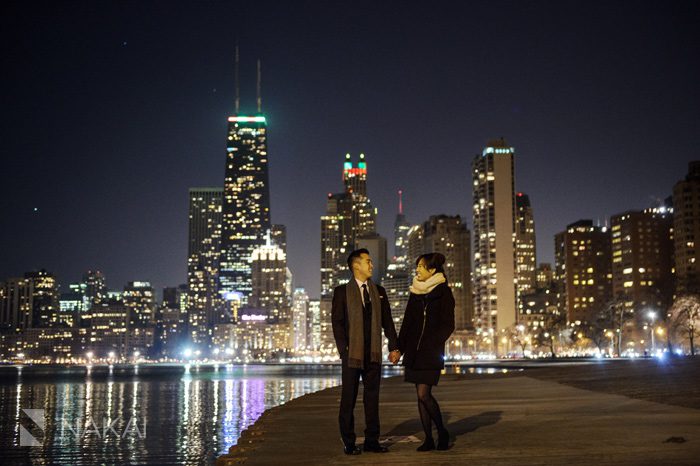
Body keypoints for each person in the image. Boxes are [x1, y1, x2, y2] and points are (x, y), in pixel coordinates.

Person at [331, 248, 401, 455]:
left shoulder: (379, 291)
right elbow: (337, 323)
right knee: (348, 399)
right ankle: (349, 442)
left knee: (372, 399)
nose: (371, 265)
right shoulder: (341, 292)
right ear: (356, 266)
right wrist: (344, 350)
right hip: (351, 353)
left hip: (373, 354)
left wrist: (394, 347)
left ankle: (372, 441)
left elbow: (388, 321)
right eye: (368, 261)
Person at [397, 252, 455, 451]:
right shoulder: (415, 292)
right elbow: (407, 323)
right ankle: (429, 439)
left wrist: (433, 343)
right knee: (419, 396)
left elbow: (448, 325)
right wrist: (398, 347)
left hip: (430, 353)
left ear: (432, 270)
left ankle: (442, 431)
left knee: (424, 394)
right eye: (417, 266)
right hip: (414, 352)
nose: (417, 270)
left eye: (421, 266)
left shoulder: (444, 293)